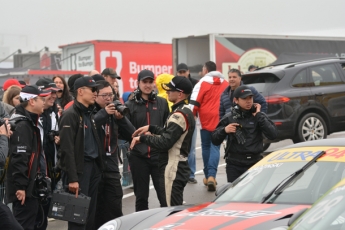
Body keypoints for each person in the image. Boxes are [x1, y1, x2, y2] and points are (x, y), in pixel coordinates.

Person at [130, 76, 195, 207]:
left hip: (174, 167)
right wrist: (151, 127)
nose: (167, 92)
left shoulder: (179, 114)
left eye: (170, 90)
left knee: (171, 210)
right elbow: (170, 133)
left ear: (180, 93)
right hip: (177, 166)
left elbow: (165, 142)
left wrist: (142, 138)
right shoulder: (185, 110)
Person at [59, 77, 103, 230]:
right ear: (80, 91)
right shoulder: (70, 114)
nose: (95, 93)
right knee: (77, 217)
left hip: (93, 167)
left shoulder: (89, 112)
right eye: (92, 90)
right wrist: (72, 178)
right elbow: (66, 148)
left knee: (90, 215)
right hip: (80, 170)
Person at [5, 85, 50, 230]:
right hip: (24, 191)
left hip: (31, 188)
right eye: (41, 99)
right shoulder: (23, 124)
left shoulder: (30, 121)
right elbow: (20, 158)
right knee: (24, 225)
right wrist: (21, 187)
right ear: (31, 101)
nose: (44, 102)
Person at [211, 85, 277, 182]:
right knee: (234, 195)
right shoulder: (229, 117)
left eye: (250, 98)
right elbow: (214, 139)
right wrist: (224, 130)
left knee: (255, 196)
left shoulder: (259, 116)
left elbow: (273, 135)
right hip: (234, 165)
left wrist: (259, 116)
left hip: (255, 163)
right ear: (236, 100)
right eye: (244, 98)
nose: (248, 101)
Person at [125, 69, 169, 211]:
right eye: (145, 82)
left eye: (150, 82)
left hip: (158, 156)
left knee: (164, 196)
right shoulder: (130, 104)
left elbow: (167, 128)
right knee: (141, 197)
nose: (148, 85)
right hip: (138, 157)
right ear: (138, 83)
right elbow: (126, 131)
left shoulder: (162, 103)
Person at [93, 80, 135, 228]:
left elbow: (132, 134)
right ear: (95, 95)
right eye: (104, 95)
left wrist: (121, 119)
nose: (108, 98)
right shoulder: (91, 112)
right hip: (94, 168)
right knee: (95, 211)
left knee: (114, 208)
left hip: (111, 167)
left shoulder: (114, 112)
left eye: (110, 95)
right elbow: (88, 128)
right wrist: (103, 114)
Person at [189, 61, 228, 191]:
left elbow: (194, 101)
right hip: (221, 118)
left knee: (206, 146)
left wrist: (191, 116)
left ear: (206, 70)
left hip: (205, 119)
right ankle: (211, 176)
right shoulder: (225, 83)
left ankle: (208, 176)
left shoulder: (201, 83)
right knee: (215, 146)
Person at [34, 78, 61, 229]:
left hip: (51, 166)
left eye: (55, 92)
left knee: (44, 213)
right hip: (36, 171)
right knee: (35, 216)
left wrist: (58, 137)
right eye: (50, 92)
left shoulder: (54, 111)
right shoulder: (31, 114)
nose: (53, 95)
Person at [176, 63, 199, 184]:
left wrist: (195, 115)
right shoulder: (175, 84)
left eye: (184, 72)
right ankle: (180, 172)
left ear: (188, 71)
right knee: (179, 147)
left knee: (191, 148)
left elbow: (199, 101)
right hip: (178, 119)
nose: (182, 74)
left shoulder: (196, 83)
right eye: (180, 72)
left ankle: (191, 174)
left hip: (192, 120)